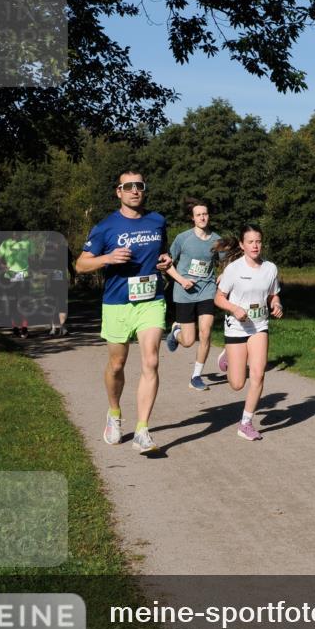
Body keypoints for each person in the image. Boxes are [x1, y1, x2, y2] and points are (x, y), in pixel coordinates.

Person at [75, 171, 172, 453]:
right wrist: (107, 258)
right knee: (117, 365)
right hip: (117, 302)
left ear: (144, 190)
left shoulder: (157, 221)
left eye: (139, 186)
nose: (134, 191)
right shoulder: (105, 227)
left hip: (151, 300)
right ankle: (114, 413)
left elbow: (162, 252)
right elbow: (81, 264)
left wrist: (165, 261)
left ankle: (143, 430)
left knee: (151, 361)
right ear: (118, 192)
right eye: (128, 186)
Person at [213, 225, 283, 441]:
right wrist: (234, 308)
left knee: (258, 373)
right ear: (242, 245)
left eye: (258, 241)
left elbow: (273, 294)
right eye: (250, 242)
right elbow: (219, 298)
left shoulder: (270, 268)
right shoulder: (234, 269)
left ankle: (246, 422)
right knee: (236, 384)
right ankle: (228, 355)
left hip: (259, 326)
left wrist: (277, 304)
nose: (255, 245)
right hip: (236, 326)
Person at [164, 198, 222, 391]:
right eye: (198, 215)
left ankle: (196, 376)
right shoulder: (183, 238)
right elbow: (166, 263)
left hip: (207, 290)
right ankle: (176, 331)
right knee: (188, 341)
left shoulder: (216, 239)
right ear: (193, 218)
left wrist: (223, 275)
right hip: (185, 292)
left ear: (209, 216)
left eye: (205, 214)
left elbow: (228, 260)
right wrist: (181, 280)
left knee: (205, 333)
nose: (202, 217)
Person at [0, 232, 32, 337]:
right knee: (12, 303)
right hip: (10, 277)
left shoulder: (27, 243)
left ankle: (24, 328)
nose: (16, 235)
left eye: (19, 233)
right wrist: (3, 266)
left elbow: (33, 257)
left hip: (24, 276)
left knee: (24, 303)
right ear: (12, 233)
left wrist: (33, 265)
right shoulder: (6, 244)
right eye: (15, 233)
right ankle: (15, 328)